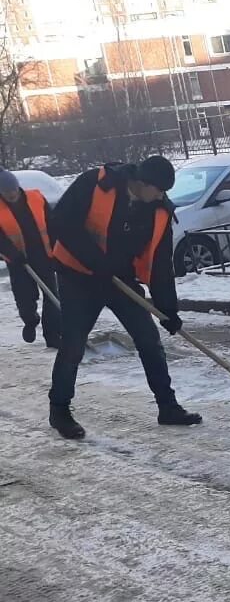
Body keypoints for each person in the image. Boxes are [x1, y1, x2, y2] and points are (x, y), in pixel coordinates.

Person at [46, 156, 201, 440]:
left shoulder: (159, 210)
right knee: (73, 345)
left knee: (149, 341)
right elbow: (61, 223)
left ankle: (167, 407)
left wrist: (168, 310)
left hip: (121, 282)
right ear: (141, 183)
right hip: (78, 277)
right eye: (158, 190)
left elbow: (161, 264)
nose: (162, 196)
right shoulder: (95, 183)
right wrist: (95, 262)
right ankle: (60, 410)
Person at [0, 169, 61, 348]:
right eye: (5, 192)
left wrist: (57, 248)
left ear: (18, 187)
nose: (11, 194)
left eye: (12, 190)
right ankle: (30, 320)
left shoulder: (36, 197)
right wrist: (11, 254)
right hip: (18, 262)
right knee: (25, 299)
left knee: (51, 296)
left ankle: (52, 335)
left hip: (44, 256)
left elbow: (52, 224)